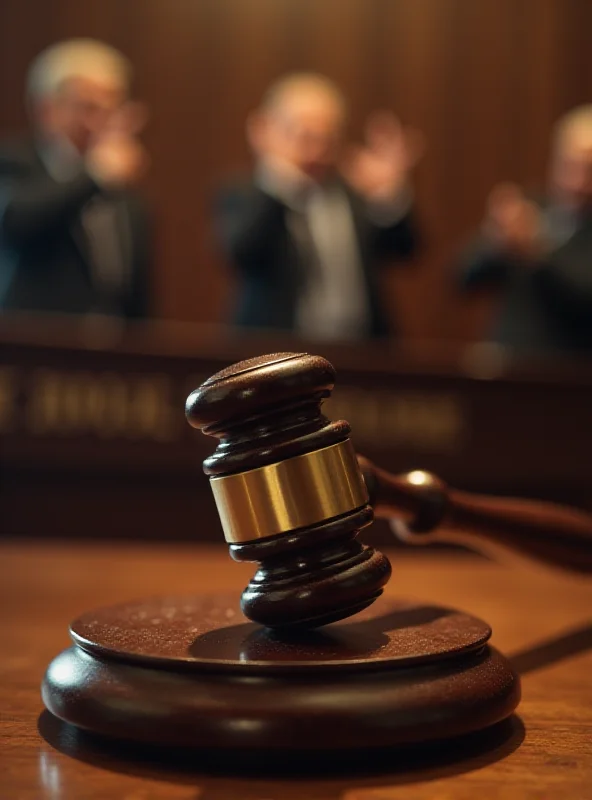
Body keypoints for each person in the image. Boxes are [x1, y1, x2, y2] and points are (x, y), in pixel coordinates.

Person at [215, 73, 423, 340]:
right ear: (262, 130)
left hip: (358, 352)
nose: (315, 149)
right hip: (272, 355)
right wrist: (282, 184)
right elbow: (240, 252)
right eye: (302, 134)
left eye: (327, 137)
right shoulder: (242, 193)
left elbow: (406, 250)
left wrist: (388, 195)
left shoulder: (354, 192)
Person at [0, 39, 152, 320]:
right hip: (32, 345)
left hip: (110, 351)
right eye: (90, 108)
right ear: (47, 109)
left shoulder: (122, 184)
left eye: (115, 107)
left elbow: (137, 289)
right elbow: (14, 222)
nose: (104, 122)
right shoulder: (13, 161)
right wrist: (93, 176)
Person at [459, 105, 592, 355]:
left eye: (590, 169)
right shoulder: (529, 209)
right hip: (505, 367)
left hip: (571, 376)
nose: (579, 180)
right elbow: (462, 278)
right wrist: (495, 243)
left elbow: (585, 297)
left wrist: (537, 255)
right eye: (571, 165)